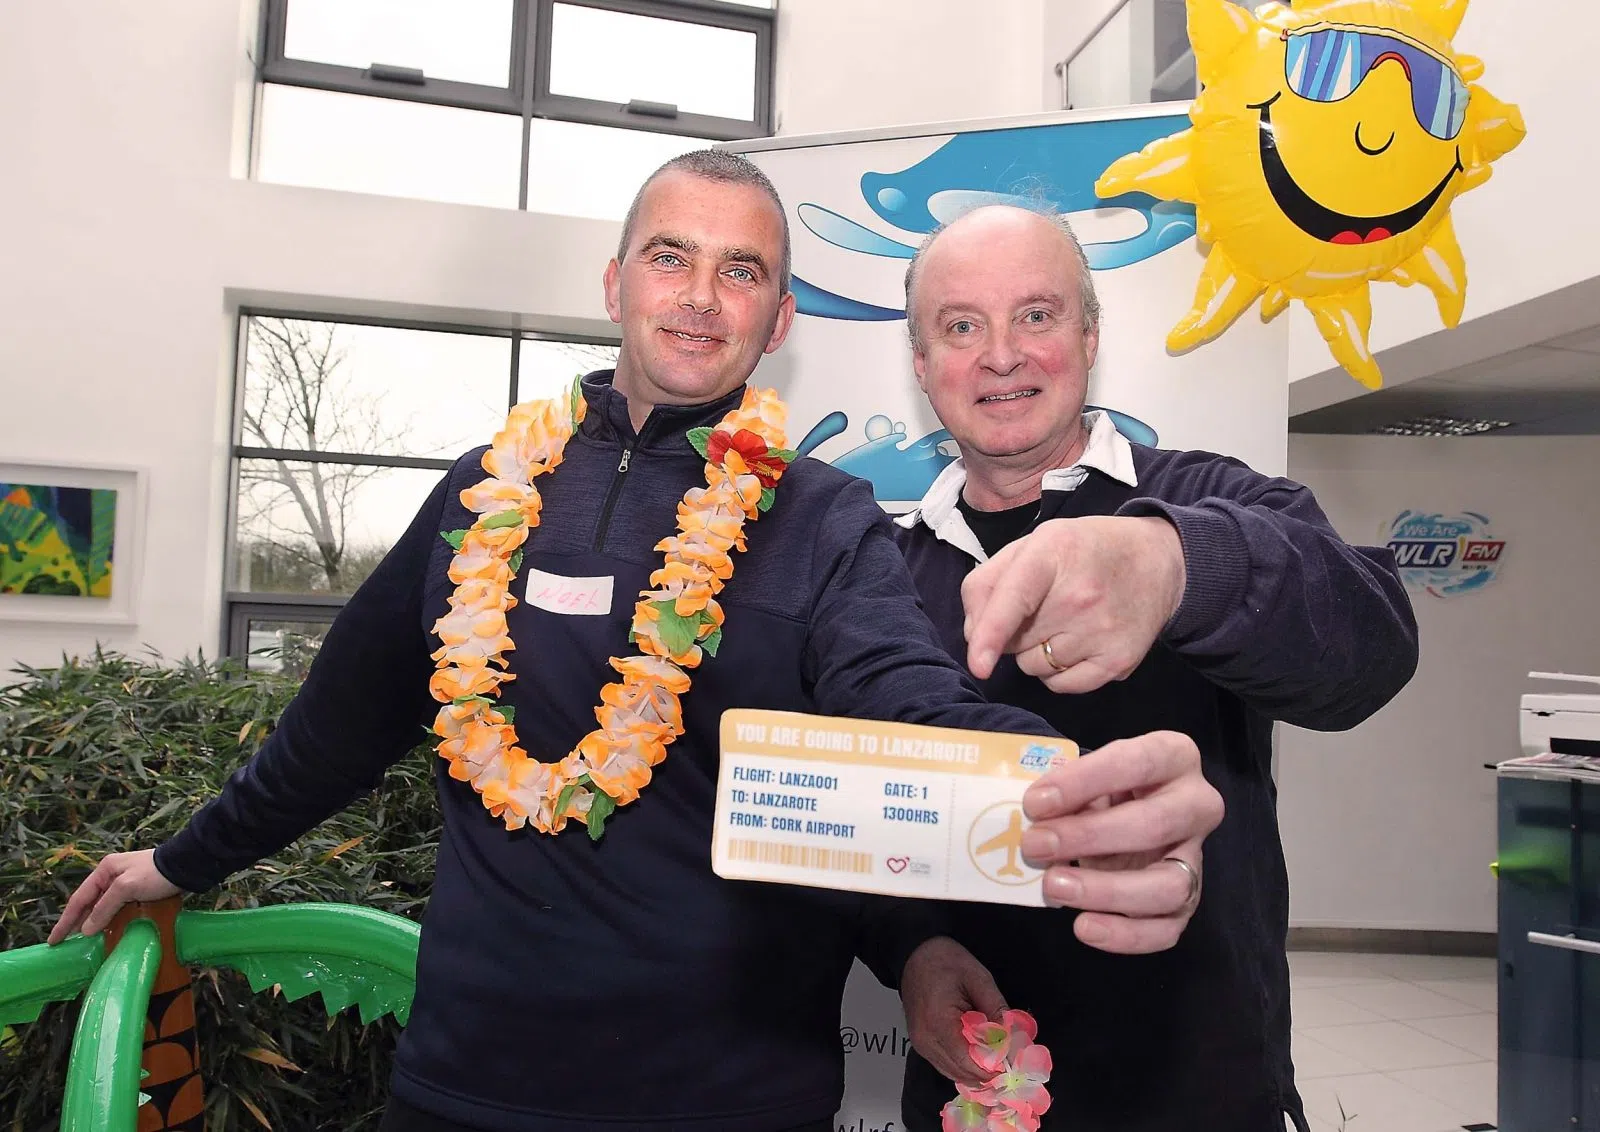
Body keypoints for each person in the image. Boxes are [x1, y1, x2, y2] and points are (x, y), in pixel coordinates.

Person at [48, 154, 1224, 1132]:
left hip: (729, 1094)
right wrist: (179, 862)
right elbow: (335, 728)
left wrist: (1079, 788)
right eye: (672, 256)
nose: (702, 295)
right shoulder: (478, 493)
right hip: (465, 1081)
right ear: (616, 283)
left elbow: (908, 708)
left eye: (742, 270)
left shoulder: (824, 520)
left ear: (779, 319)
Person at [890, 205, 1419, 1132]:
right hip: (972, 1096)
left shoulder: (1205, 499)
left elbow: (1374, 647)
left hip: (1198, 1083)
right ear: (923, 363)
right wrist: (908, 949)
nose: (1002, 355)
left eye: (1037, 315)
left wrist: (1177, 567)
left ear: (1090, 337)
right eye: (962, 326)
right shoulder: (884, 568)